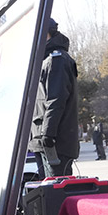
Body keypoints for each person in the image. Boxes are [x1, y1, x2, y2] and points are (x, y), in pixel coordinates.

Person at [29, 18, 79, 179]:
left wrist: (48, 135)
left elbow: (55, 100)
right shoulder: (44, 61)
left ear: (45, 33)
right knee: (46, 193)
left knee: (55, 191)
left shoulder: (55, 61)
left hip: (54, 143)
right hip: (43, 140)